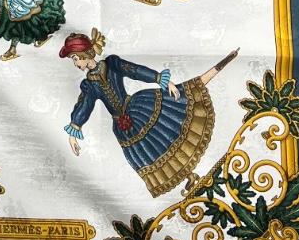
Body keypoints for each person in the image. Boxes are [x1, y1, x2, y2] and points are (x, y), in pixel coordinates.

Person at [59, 29, 238, 197]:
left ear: (84, 54)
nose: (75, 63)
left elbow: (135, 71)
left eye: (75, 58)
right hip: (124, 129)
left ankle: (221, 65)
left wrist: (161, 80)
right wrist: (74, 130)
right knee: (152, 153)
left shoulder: (112, 64)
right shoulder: (89, 85)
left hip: (139, 109)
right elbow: (84, 105)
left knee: (165, 138)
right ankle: (189, 177)